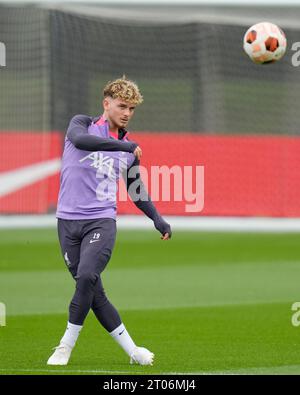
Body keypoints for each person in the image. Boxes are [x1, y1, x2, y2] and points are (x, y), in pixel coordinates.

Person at [47, 76, 172, 366]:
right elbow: (81, 142)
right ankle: (134, 351)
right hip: (66, 222)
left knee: (87, 277)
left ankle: (65, 345)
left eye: (132, 109)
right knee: (93, 294)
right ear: (106, 104)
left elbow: (136, 190)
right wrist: (123, 148)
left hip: (100, 221)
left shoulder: (129, 148)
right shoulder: (81, 124)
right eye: (122, 106)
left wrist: (157, 219)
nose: (127, 113)